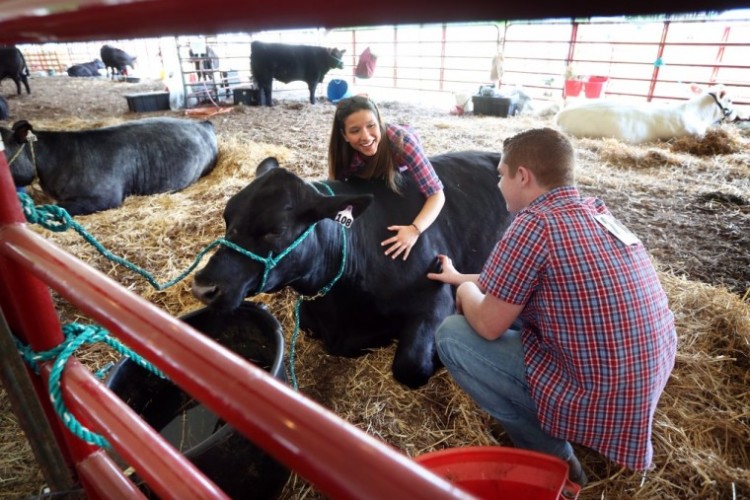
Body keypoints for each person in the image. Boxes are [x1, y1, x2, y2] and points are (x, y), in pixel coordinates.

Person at [426, 127, 677, 486]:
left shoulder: (533, 224)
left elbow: (488, 325)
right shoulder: (595, 212)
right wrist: (458, 276)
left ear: (523, 176)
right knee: (513, 317)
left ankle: (554, 458)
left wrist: (463, 293)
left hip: (602, 392)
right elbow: (512, 279)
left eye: (501, 175)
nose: (497, 186)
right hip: (643, 381)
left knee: (452, 335)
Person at [328, 95, 445, 261]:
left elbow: (437, 194)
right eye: (355, 130)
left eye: (371, 125)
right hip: (367, 170)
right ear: (344, 135)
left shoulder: (402, 142)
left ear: (379, 122)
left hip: (399, 164)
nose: (366, 136)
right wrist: (346, 225)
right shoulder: (343, 154)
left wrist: (414, 230)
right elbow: (338, 195)